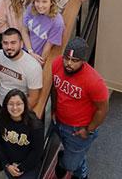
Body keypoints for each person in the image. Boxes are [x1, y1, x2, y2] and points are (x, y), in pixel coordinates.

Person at [52, 37, 109, 179]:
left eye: (74, 60)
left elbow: (102, 110)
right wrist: (53, 109)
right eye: (66, 58)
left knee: (71, 165)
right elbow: (54, 88)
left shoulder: (94, 81)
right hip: (59, 120)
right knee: (75, 154)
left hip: (79, 129)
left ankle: (78, 172)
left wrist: (88, 130)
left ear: (83, 61)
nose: (68, 63)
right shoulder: (57, 64)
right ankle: (68, 158)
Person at [0, 89, 44, 179]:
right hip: (9, 165)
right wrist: (7, 165)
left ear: (25, 105)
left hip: (28, 167)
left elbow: (37, 152)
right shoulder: (0, 119)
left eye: (19, 104)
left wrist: (20, 168)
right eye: (11, 104)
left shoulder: (35, 125)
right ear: (5, 105)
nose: (15, 108)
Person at [0, 27, 43, 113]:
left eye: (13, 43)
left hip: (18, 110)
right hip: (0, 102)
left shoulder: (33, 67)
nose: (9, 47)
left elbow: (33, 98)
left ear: (21, 44)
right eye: (5, 43)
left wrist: (16, 115)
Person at [23, 0, 64, 66]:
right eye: (37, 1)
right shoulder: (31, 7)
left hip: (37, 58)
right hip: (25, 50)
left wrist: (40, 62)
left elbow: (48, 47)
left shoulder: (57, 22)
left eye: (44, 2)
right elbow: (24, 30)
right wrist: (29, 51)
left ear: (51, 2)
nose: (40, 5)